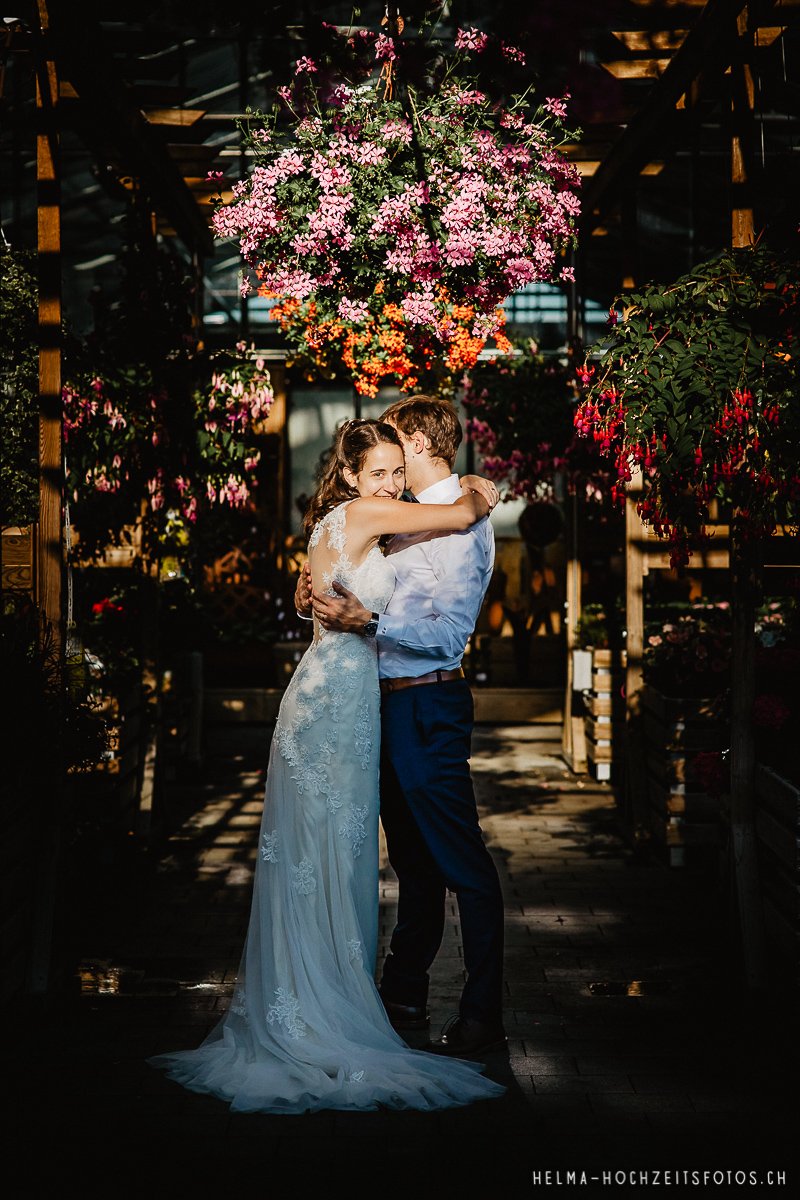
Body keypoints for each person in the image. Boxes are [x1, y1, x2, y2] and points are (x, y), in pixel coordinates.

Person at [148, 418, 505, 1113]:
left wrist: (347, 607)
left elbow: (410, 596)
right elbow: (463, 507)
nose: (391, 482)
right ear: (349, 477)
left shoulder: (361, 520)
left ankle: (375, 1000)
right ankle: (338, 1007)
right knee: (343, 860)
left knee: (343, 861)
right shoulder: (377, 513)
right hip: (343, 707)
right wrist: (476, 485)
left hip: (369, 705)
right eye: (378, 471)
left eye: (398, 469)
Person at [304, 395, 507, 1058]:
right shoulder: (414, 514)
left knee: (463, 864)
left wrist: (371, 623)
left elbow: (449, 632)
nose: (388, 460)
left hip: (427, 706)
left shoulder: (462, 524)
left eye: (395, 445)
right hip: (380, 707)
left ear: (417, 441)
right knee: (414, 866)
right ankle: (402, 992)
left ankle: (481, 1016)